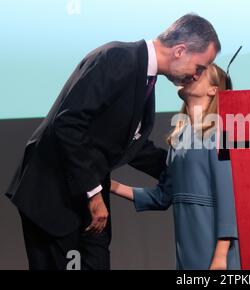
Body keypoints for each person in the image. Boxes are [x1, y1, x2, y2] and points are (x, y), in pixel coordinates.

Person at [5, 13, 221, 270]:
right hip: (54, 196)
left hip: (85, 198)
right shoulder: (118, 58)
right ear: (180, 50)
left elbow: (133, 147)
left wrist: (188, 168)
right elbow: (68, 125)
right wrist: (95, 194)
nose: (197, 76)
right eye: (198, 67)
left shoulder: (144, 76)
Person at [110, 64, 240, 270]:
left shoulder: (218, 133)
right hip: (186, 245)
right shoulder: (178, 137)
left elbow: (228, 198)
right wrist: (110, 185)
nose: (192, 74)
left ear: (213, 90)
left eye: (201, 73)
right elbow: (162, 197)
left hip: (213, 243)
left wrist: (221, 256)